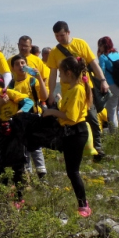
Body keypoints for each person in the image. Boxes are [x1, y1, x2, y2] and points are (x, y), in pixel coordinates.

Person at [45, 21, 110, 161]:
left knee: (92, 118)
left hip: (86, 90)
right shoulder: (55, 52)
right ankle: (73, 151)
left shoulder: (81, 44)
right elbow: (52, 75)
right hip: (68, 92)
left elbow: (93, 63)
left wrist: (103, 80)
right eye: (56, 36)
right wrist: (50, 93)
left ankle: (97, 149)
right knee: (70, 120)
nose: (59, 38)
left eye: (61, 35)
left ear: (68, 32)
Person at [42, 56, 92, 217]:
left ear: (68, 73)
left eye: (60, 73)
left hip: (76, 132)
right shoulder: (71, 89)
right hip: (69, 133)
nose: (59, 76)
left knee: (73, 171)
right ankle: (82, 203)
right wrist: (60, 101)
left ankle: (83, 205)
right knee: (71, 170)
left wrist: (51, 112)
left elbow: (71, 116)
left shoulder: (77, 89)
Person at [8, 54, 49, 180]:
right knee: (23, 147)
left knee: (35, 146)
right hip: (19, 119)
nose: (20, 66)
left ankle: (42, 174)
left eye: (22, 63)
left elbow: (44, 97)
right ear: (13, 68)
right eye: (17, 64)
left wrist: (40, 78)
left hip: (33, 116)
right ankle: (28, 175)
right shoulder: (12, 84)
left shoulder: (32, 80)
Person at [97, 36, 119, 134]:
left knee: (111, 111)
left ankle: (115, 135)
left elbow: (101, 72)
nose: (99, 48)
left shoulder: (103, 57)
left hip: (112, 86)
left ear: (104, 45)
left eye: (100, 45)